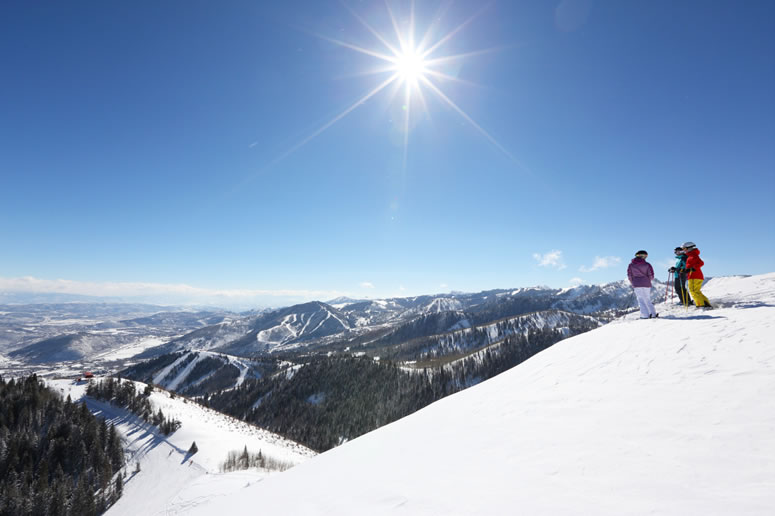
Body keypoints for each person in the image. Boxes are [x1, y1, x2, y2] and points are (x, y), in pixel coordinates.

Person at [627, 250, 658, 319]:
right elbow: (651, 275)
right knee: (647, 299)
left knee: (640, 299)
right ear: (643, 256)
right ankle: (653, 314)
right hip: (646, 283)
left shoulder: (631, 265)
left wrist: (633, 282)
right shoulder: (647, 264)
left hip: (637, 284)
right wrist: (647, 280)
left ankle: (644, 315)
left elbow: (629, 276)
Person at [682, 241, 712, 308]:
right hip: (696, 276)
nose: (684, 250)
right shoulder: (691, 255)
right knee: (697, 291)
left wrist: (692, 268)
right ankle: (706, 304)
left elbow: (701, 263)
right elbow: (692, 266)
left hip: (694, 276)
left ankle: (700, 305)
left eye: (684, 249)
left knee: (693, 291)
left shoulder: (693, 255)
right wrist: (686, 270)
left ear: (689, 248)